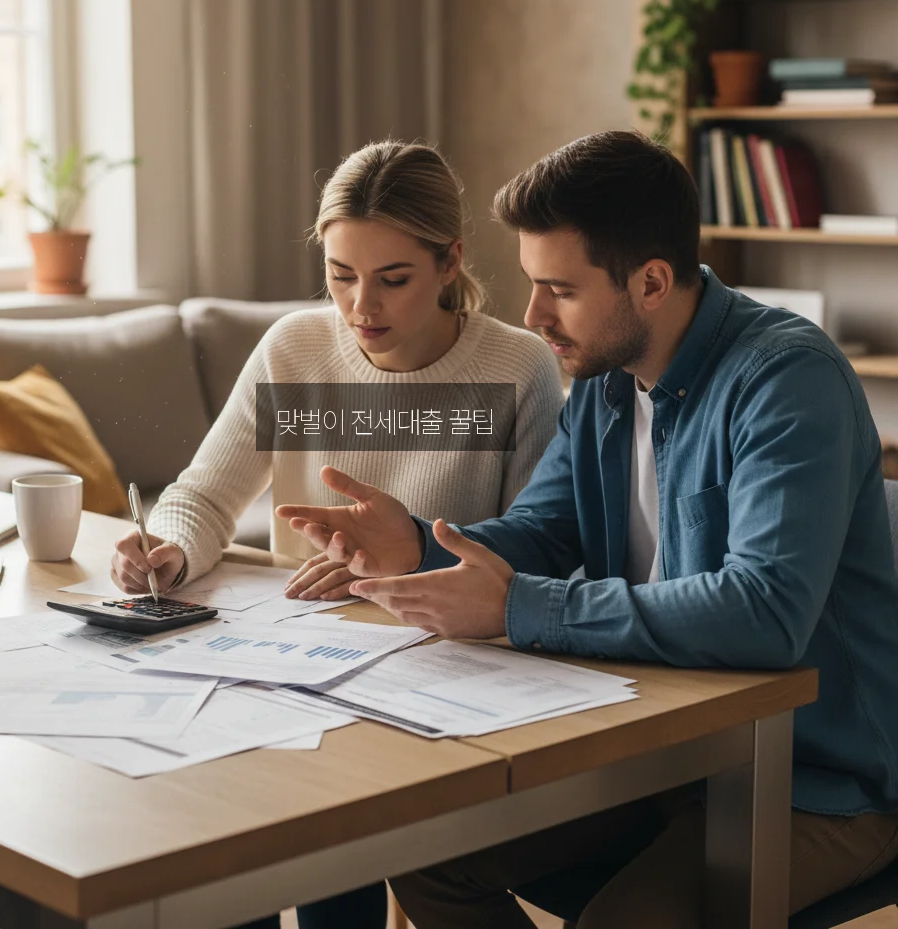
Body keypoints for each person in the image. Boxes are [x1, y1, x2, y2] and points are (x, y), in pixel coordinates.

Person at [276, 130, 898, 929]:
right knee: (418, 851)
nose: (534, 316)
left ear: (651, 282)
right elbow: (542, 528)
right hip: (663, 757)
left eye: (559, 290)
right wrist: (421, 549)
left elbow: (764, 613)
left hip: (814, 783)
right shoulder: (608, 381)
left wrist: (520, 609)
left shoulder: (785, 380)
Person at [109, 139, 563, 929]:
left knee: (334, 865)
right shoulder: (295, 348)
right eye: (341, 276)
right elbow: (205, 495)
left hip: (437, 671)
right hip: (289, 659)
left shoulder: (517, 365)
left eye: (393, 280)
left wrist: (399, 562)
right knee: (218, 866)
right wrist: (172, 547)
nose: (362, 309)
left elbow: (535, 545)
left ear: (450, 261)